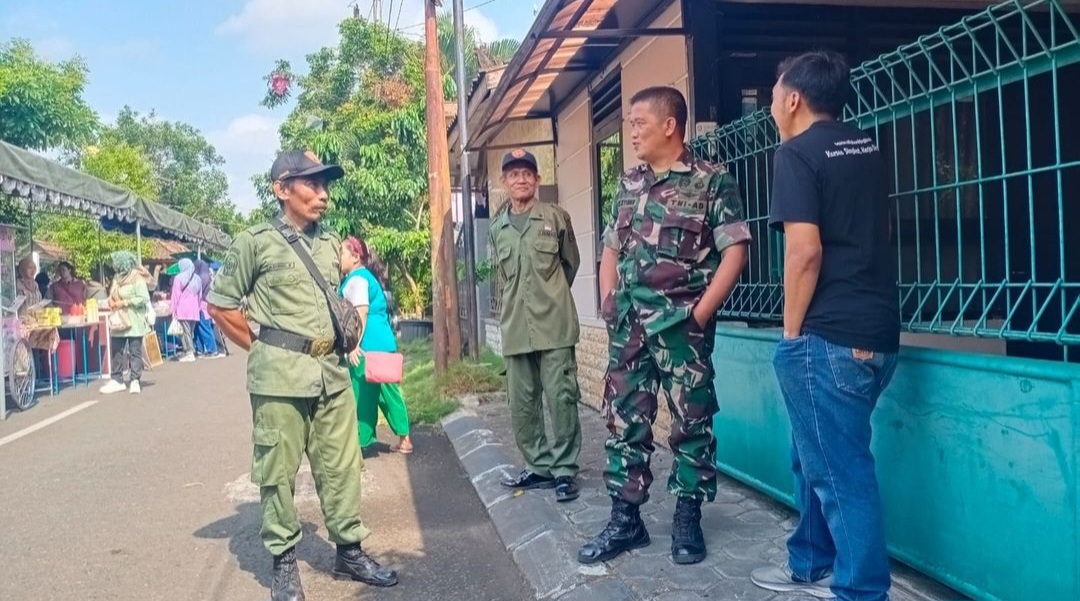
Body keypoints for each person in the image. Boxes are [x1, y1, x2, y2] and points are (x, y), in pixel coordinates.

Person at [207, 149, 398, 601]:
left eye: (325, 185)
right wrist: (266, 349)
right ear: (281, 189)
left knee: (343, 466)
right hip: (279, 380)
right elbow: (221, 305)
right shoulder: (254, 242)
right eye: (312, 184)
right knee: (277, 471)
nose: (323, 194)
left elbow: (351, 290)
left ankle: (348, 550)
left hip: (331, 373)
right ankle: (284, 563)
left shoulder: (331, 245)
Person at [748, 51, 901, 601]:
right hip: (878, 331)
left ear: (793, 98)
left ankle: (861, 590)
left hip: (828, 336)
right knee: (811, 452)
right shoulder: (866, 146)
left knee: (840, 473)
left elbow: (804, 251)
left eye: (772, 95)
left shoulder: (796, 153)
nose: (769, 106)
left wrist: (790, 335)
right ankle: (810, 560)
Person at [579, 87, 751, 566]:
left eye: (638, 123)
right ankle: (625, 519)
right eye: (630, 124)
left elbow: (736, 250)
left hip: (681, 327)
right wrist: (608, 300)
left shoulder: (711, 180)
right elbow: (611, 247)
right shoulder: (629, 183)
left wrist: (700, 313)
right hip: (629, 327)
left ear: (670, 125)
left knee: (691, 423)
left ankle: (687, 516)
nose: (631, 131)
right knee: (624, 422)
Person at [489, 148, 583, 503]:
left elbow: (570, 264)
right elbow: (504, 277)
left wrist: (552, 296)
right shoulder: (497, 228)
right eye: (513, 174)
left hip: (555, 324)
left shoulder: (556, 217)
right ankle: (540, 466)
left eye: (527, 172)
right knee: (522, 404)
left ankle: (563, 471)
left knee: (561, 398)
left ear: (537, 179)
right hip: (515, 327)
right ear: (504, 182)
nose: (521, 179)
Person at [338, 236, 412, 454]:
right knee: (388, 392)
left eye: (341, 253)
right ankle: (405, 438)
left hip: (366, 346)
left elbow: (361, 311)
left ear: (355, 257)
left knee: (363, 394)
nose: (338, 258)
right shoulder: (367, 277)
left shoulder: (356, 279)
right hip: (384, 341)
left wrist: (353, 345)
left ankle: (360, 444)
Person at [99, 251, 152, 395]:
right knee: (116, 349)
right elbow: (112, 293)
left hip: (134, 319)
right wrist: (111, 300)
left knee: (135, 350)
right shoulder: (117, 277)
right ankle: (117, 379)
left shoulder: (137, 277)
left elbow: (143, 298)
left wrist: (125, 302)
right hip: (119, 320)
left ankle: (135, 380)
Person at [170, 258, 202, 362]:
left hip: (183, 310)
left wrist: (173, 310)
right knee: (190, 332)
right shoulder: (198, 278)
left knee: (185, 332)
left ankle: (189, 352)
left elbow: (175, 296)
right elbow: (199, 296)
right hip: (194, 310)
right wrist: (198, 307)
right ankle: (189, 350)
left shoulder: (178, 278)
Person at [192, 259, 220, 357]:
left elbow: (197, 292)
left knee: (204, 328)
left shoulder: (200, 278)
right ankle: (200, 349)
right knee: (200, 328)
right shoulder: (208, 276)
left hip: (202, 306)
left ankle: (212, 349)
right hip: (207, 306)